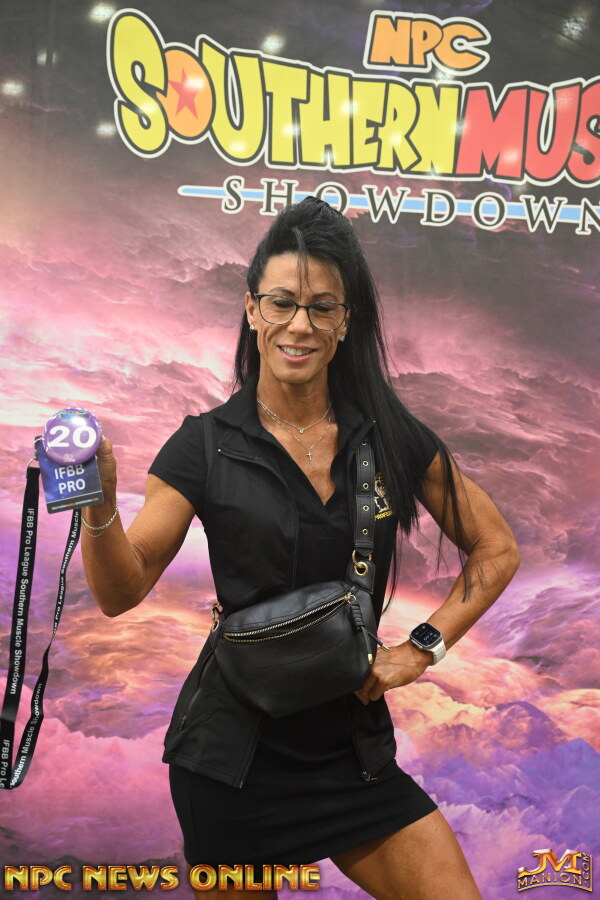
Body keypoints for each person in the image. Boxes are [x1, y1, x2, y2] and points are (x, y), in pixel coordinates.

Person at [81, 197, 520, 900]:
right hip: (232, 762)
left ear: (346, 321)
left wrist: (421, 648)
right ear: (252, 309)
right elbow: (119, 591)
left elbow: (495, 550)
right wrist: (99, 508)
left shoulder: (390, 437)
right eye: (282, 303)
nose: (300, 325)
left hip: (352, 752)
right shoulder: (203, 444)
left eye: (322, 308)